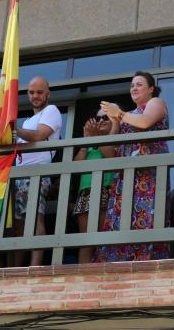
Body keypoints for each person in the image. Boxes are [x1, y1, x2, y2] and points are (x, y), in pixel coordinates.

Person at [96, 71, 170, 262]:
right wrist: (114, 122)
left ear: (151, 89)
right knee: (121, 224)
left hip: (149, 176)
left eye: (139, 84)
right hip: (125, 179)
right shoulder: (127, 115)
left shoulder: (156, 103)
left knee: (147, 223)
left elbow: (145, 122)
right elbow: (111, 151)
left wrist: (119, 113)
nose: (134, 88)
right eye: (132, 85)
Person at [14, 76, 62, 266]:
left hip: (37, 173)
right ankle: (16, 267)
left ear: (47, 94)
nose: (35, 96)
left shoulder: (51, 110)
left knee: (35, 218)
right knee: (18, 224)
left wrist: (14, 130)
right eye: (31, 92)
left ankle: (35, 266)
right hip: (20, 174)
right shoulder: (27, 122)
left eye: (40, 92)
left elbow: (39, 136)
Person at [72, 109, 115, 264]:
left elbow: (112, 157)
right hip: (86, 192)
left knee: (103, 235)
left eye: (106, 117)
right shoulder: (90, 142)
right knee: (86, 237)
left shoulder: (115, 137)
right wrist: (86, 141)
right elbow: (76, 167)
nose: (101, 120)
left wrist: (95, 137)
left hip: (106, 190)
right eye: (98, 118)